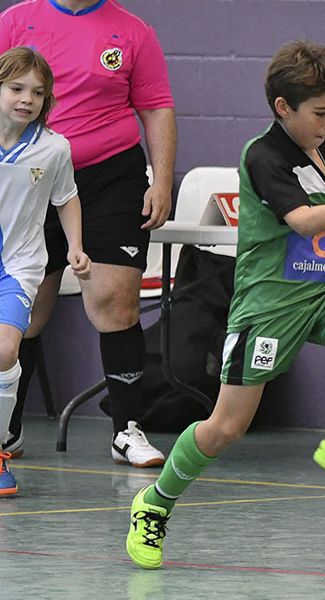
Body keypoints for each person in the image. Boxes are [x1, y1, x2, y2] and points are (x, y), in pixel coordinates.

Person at [124, 40, 325, 570]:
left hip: (321, 292)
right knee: (225, 429)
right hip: (269, 307)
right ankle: (155, 504)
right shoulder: (263, 155)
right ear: (283, 108)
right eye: (322, 113)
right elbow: (303, 220)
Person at [0, 0, 177, 467]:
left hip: (110, 179)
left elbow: (156, 107)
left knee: (116, 299)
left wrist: (160, 180)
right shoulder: (17, 20)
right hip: (31, 177)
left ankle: (126, 430)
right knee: (31, 307)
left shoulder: (133, 31)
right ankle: (8, 429)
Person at [0, 47, 91, 495]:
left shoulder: (53, 148)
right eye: (16, 88)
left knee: (4, 352)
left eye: (37, 92)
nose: (26, 99)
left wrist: (75, 246)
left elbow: (67, 198)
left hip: (17, 267)